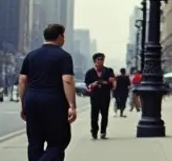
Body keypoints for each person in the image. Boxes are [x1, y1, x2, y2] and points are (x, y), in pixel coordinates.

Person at [19, 23, 78, 161]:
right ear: (58, 36)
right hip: (54, 102)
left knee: (34, 143)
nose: (64, 39)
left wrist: (22, 104)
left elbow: (22, 80)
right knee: (59, 141)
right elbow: (67, 80)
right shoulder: (63, 56)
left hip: (32, 100)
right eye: (63, 36)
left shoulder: (31, 56)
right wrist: (72, 106)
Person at [83, 54, 115, 139]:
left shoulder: (108, 71)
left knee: (105, 115)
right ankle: (94, 131)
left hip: (105, 96)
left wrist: (107, 83)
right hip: (95, 96)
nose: (101, 61)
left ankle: (103, 132)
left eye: (102, 59)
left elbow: (112, 82)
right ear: (95, 61)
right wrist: (93, 84)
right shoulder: (90, 72)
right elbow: (87, 84)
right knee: (94, 115)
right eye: (99, 59)